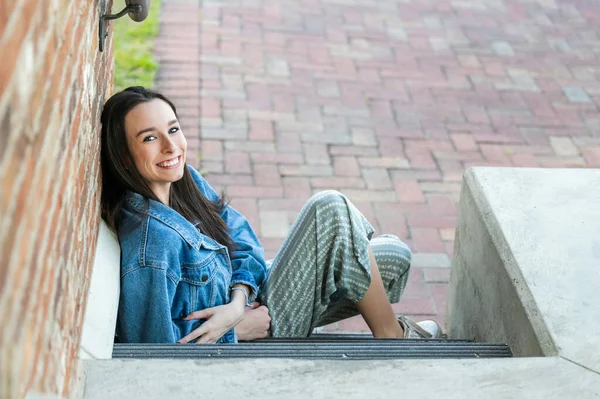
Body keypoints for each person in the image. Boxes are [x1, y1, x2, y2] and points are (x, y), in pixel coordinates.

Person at [100, 86, 443, 344]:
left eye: (173, 130)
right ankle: (393, 340)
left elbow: (242, 239)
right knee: (330, 209)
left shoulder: (183, 180)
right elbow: (152, 354)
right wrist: (237, 332)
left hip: (253, 300)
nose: (171, 147)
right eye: (149, 138)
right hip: (248, 346)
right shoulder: (152, 246)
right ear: (125, 157)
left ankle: (322, 317)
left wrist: (237, 304)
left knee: (392, 255)